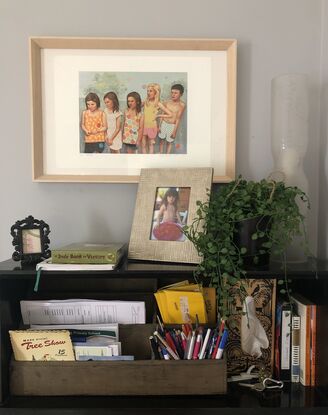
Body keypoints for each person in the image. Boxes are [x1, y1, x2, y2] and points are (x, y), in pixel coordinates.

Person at [142, 83, 172, 154]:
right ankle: (144, 159)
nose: (148, 93)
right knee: (143, 145)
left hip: (152, 126)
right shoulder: (146, 102)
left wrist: (158, 116)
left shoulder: (158, 103)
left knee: (150, 145)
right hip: (143, 125)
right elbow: (137, 108)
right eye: (148, 91)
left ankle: (150, 160)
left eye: (151, 91)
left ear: (156, 93)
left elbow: (170, 114)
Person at [158, 84, 186, 154]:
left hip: (172, 126)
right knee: (161, 140)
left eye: (176, 93)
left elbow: (178, 119)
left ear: (181, 94)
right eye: (172, 92)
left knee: (169, 142)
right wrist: (159, 125)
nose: (173, 95)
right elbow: (163, 114)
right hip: (164, 123)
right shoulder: (167, 102)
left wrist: (174, 131)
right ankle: (161, 153)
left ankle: (167, 155)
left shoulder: (182, 105)